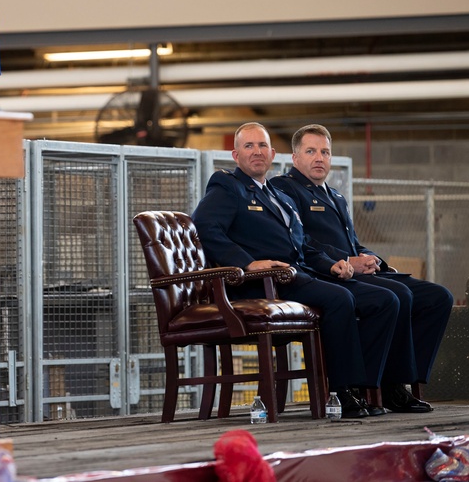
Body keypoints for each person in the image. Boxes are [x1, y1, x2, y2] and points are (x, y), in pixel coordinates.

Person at [192, 122, 399, 418]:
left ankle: (369, 387)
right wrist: (247, 262)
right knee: (341, 300)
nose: (257, 152)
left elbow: (303, 246)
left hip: (298, 275)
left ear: (273, 154)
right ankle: (343, 392)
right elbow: (206, 227)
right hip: (263, 284)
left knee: (383, 300)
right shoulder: (227, 186)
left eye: (262, 146)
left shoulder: (279, 197)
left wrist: (332, 264)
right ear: (235, 155)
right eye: (249, 146)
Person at [271, 124, 453, 413]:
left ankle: (402, 377)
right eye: (311, 151)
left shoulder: (337, 197)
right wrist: (347, 261)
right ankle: (383, 386)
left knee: (437, 298)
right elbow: (302, 242)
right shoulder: (284, 189)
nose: (319, 158)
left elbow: (354, 243)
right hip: (326, 273)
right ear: (294, 158)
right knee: (397, 297)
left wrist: (370, 258)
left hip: (355, 269)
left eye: (325, 152)